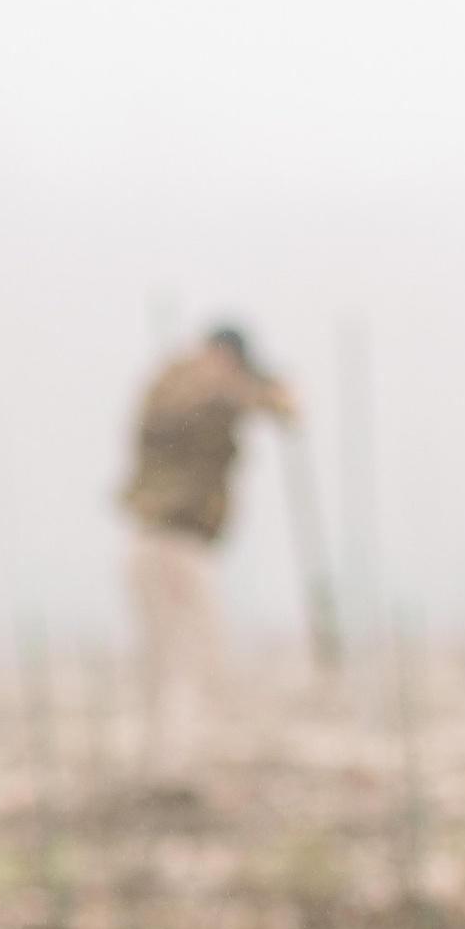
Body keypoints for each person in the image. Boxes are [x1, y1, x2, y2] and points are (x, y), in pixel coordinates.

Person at [122, 324, 295, 775]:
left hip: (183, 544)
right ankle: (174, 763)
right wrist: (245, 389)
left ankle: (175, 759)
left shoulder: (212, 392)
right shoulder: (176, 385)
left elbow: (282, 410)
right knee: (181, 656)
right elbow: (183, 406)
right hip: (164, 541)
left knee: (187, 657)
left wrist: (271, 392)